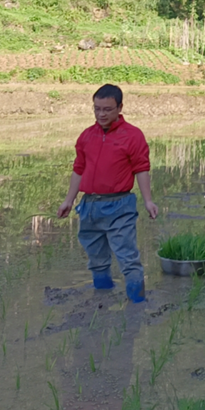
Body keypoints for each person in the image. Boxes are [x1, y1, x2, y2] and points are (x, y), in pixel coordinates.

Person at [57, 84, 158, 303]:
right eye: (97, 109)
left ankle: (138, 304)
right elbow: (78, 169)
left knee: (128, 258)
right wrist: (68, 201)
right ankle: (101, 300)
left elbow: (141, 168)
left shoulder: (132, 136)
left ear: (120, 107)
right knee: (96, 258)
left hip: (120, 205)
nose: (101, 114)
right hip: (90, 206)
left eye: (107, 109)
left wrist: (148, 200)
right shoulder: (86, 136)